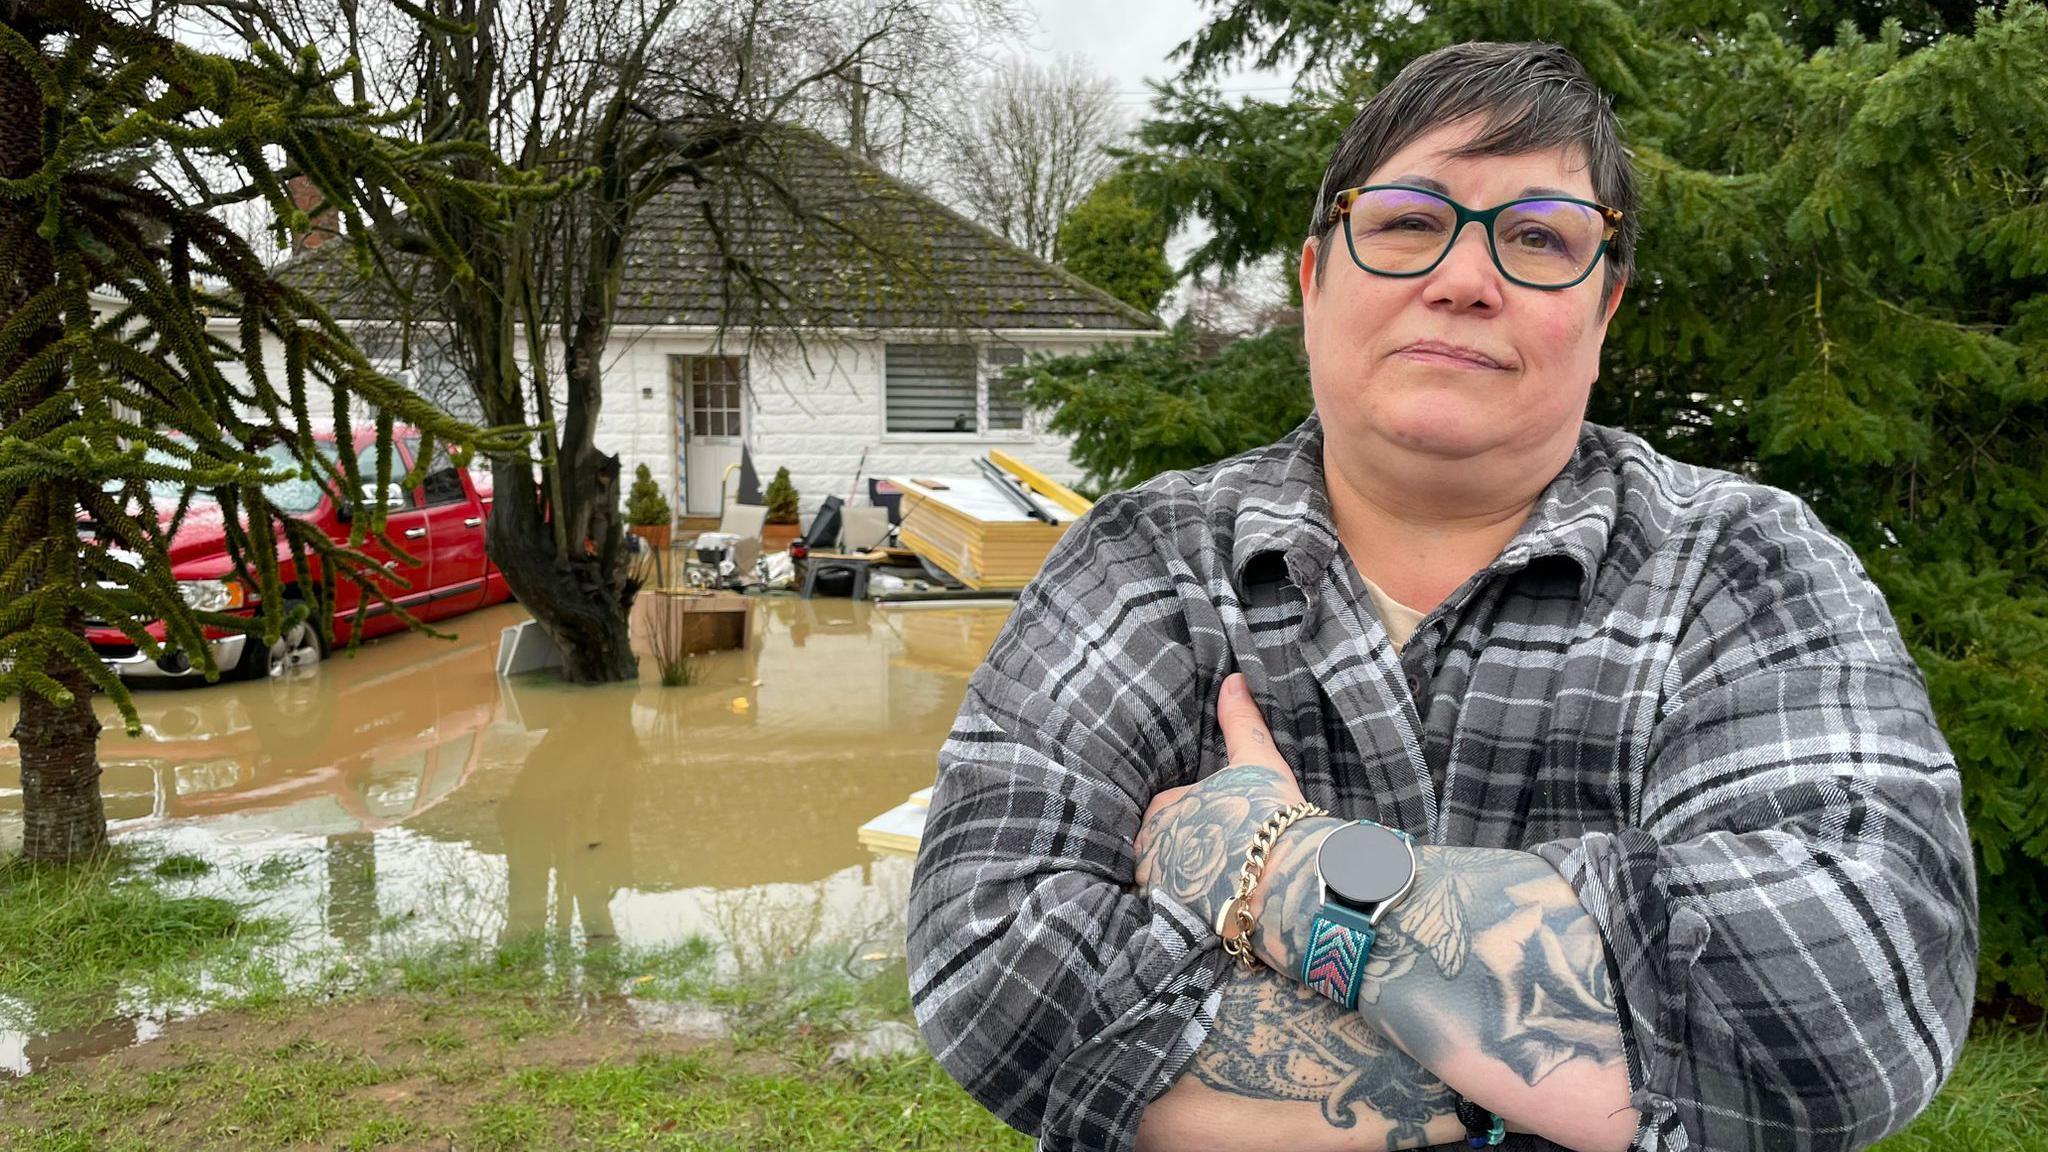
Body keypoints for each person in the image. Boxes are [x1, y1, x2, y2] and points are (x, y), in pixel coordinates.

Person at [905, 40, 1977, 1152]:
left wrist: (1275, 865)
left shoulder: (1743, 565)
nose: (1465, 279)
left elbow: (1849, 1001)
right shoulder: (1139, 563)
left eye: (1537, 240)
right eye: (1410, 220)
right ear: (1315, 279)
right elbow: (990, 971)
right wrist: (1535, 1091)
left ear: (1601, 316)